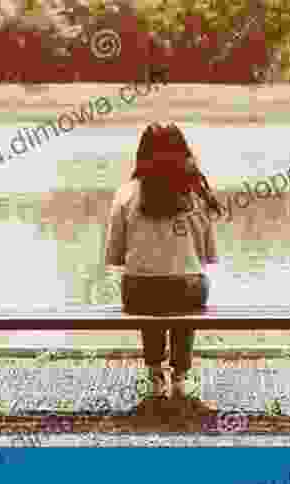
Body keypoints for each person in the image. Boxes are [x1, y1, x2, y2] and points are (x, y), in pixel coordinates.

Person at [104, 123, 222, 408]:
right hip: (187, 291)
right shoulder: (197, 195)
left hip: (140, 293)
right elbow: (207, 257)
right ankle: (181, 376)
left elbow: (116, 257)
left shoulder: (126, 194)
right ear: (184, 152)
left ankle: (156, 374)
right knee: (186, 284)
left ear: (141, 154)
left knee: (147, 284)